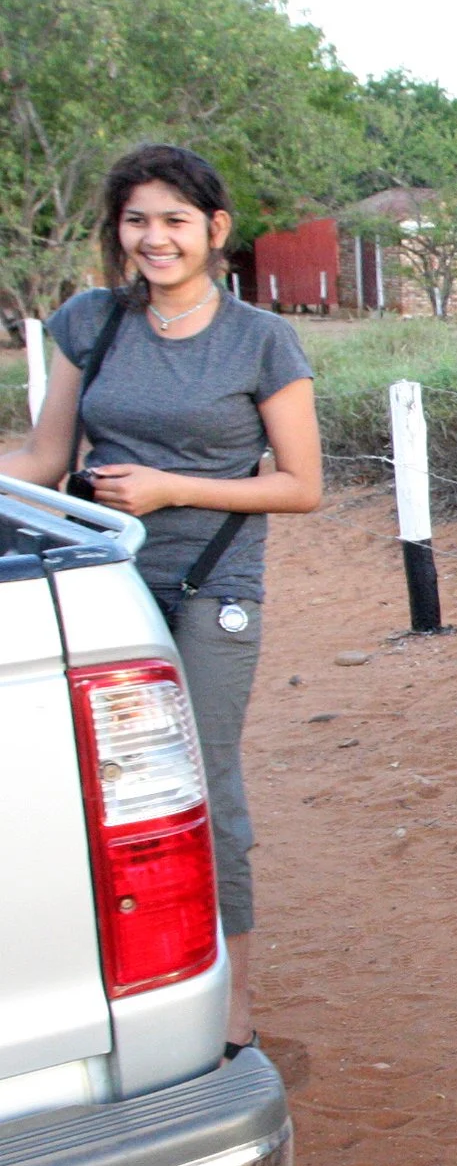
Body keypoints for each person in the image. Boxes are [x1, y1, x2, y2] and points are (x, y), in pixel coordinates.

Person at [2, 144, 324, 1057]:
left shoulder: (260, 339)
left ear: (215, 229)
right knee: (101, 791)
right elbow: (42, 458)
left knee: (203, 787)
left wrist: (168, 488)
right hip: (100, 582)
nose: (155, 238)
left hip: (211, 589)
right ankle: (129, 979)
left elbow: (301, 486)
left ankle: (231, 1007)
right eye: (137, 220)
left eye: (175, 220)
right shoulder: (92, 320)